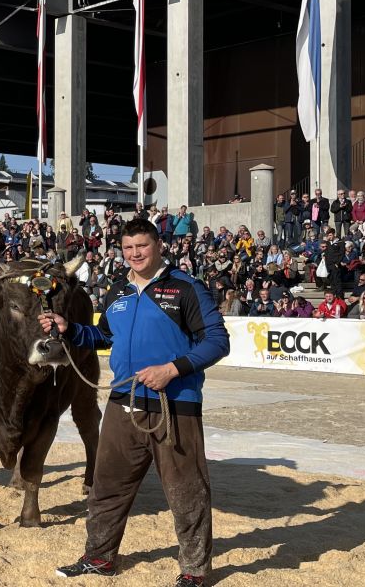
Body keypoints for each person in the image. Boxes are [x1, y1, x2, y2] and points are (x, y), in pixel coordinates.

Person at [42, 218, 229, 586]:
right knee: (106, 487)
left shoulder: (186, 288)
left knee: (186, 493)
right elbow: (104, 335)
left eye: (141, 246)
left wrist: (172, 370)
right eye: (128, 248)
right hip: (122, 404)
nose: (135, 254)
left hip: (175, 405)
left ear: (158, 245)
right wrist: (70, 329)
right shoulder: (118, 292)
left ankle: (194, 571)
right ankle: (100, 557)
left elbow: (218, 341)